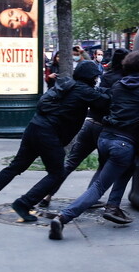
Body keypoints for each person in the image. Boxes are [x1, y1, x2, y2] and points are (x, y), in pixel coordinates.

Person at [49, 50, 139, 240]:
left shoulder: (119, 85)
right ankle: (63, 218)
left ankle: (113, 207)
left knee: (131, 164)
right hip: (123, 143)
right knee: (99, 186)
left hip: (105, 138)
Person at [0, 60, 110, 222]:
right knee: (57, 173)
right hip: (49, 134)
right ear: (90, 77)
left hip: (35, 126)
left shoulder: (68, 85)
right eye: (95, 77)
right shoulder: (84, 90)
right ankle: (24, 203)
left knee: (16, 166)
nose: (96, 80)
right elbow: (105, 102)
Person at [38, 48, 131, 214]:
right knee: (103, 166)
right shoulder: (125, 80)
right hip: (106, 128)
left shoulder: (104, 76)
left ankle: (47, 194)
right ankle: (89, 197)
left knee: (70, 162)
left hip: (90, 124)